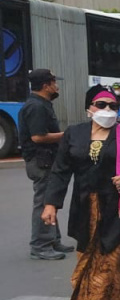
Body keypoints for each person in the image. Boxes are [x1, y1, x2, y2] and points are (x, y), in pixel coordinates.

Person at [42, 87, 120, 300]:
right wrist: (51, 204)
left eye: (112, 106)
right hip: (84, 208)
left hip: (117, 209)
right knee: (86, 261)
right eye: (100, 105)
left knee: (111, 261)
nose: (107, 111)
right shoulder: (74, 134)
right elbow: (60, 171)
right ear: (88, 108)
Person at [19, 68, 72, 261]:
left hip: (47, 159)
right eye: (54, 82)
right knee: (43, 202)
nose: (57, 85)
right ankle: (40, 245)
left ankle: (53, 240)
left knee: (50, 199)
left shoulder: (42, 103)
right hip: (40, 161)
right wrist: (66, 135)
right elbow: (38, 137)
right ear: (46, 85)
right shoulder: (36, 107)